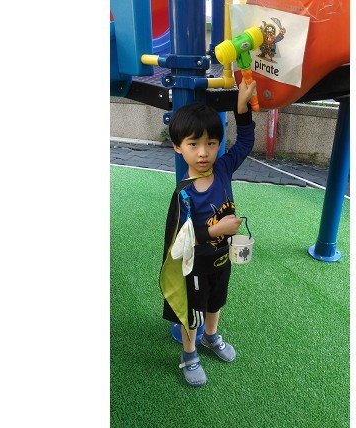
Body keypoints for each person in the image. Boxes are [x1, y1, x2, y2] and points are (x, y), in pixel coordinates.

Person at [159, 80, 257, 387]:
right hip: (195, 267)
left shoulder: (223, 169)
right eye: (193, 144)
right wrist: (218, 229)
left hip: (221, 259)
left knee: (216, 302)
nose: (203, 153)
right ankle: (189, 354)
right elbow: (180, 240)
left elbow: (244, 143)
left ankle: (211, 337)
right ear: (178, 147)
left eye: (211, 143)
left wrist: (242, 108)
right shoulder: (184, 193)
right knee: (193, 314)